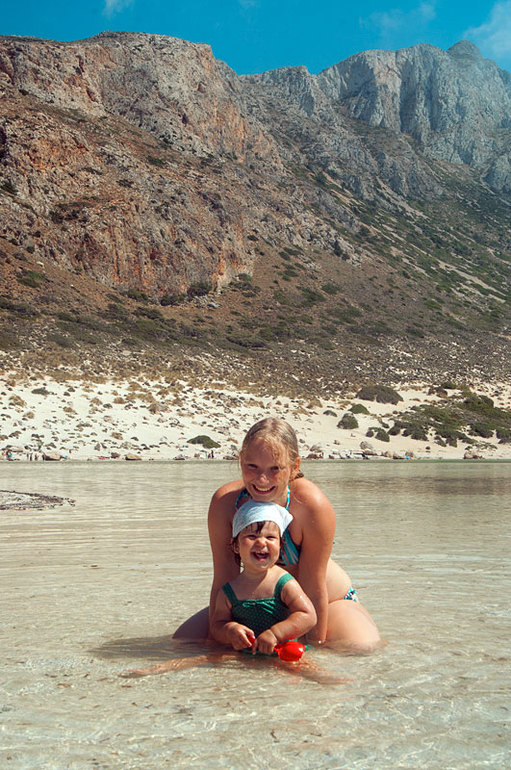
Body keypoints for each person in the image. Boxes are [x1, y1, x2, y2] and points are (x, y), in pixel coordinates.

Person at [174, 417, 381, 651]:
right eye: (252, 466)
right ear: (240, 461)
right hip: (256, 606)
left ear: (294, 467)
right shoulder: (226, 503)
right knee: (182, 643)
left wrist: (313, 650)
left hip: (324, 604)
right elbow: (223, 581)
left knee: (362, 648)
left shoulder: (310, 505)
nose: (262, 479)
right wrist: (219, 640)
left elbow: (314, 590)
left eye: (275, 469)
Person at [121, 502, 347, 683]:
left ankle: (335, 683)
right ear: (236, 546)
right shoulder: (230, 590)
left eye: (270, 538)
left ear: (280, 546)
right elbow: (217, 624)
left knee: (307, 669)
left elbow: (307, 615)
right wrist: (231, 631)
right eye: (252, 537)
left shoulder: (284, 582)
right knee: (203, 658)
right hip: (245, 651)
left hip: (282, 649)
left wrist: (275, 634)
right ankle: (157, 669)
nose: (262, 543)